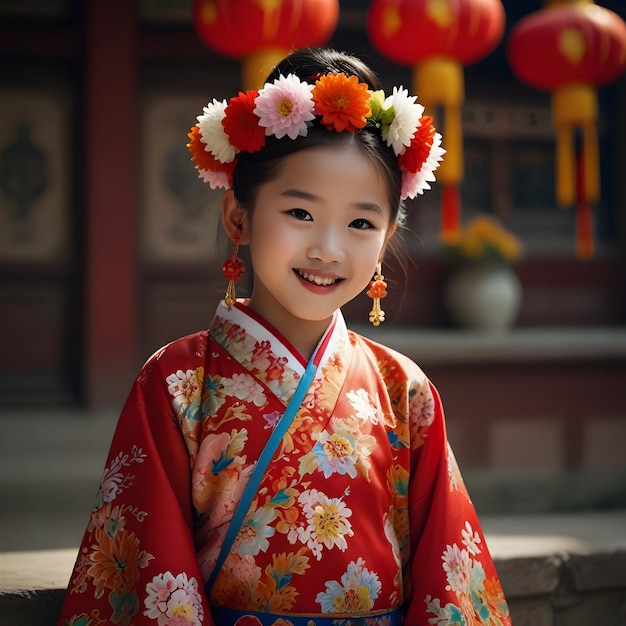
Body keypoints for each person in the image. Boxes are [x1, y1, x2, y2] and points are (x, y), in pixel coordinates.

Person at [57, 47, 511, 626]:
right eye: (300, 213)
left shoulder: (404, 390)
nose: (328, 248)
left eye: (360, 223)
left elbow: (451, 574)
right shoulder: (177, 382)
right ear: (238, 218)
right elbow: (148, 572)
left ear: (387, 236)